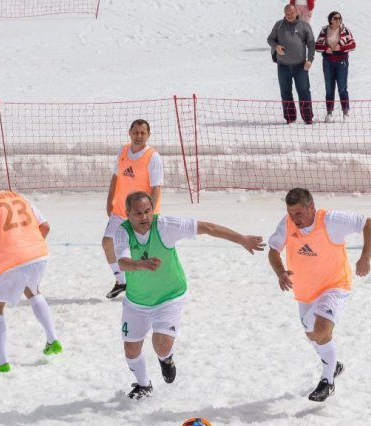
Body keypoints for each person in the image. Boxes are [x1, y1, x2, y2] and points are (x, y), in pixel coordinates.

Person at [115, 191, 265, 399]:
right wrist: (141, 265)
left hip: (170, 296)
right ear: (127, 213)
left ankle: (166, 359)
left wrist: (241, 239)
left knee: (161, 345)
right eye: (138, 213)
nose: (144, 218)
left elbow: (208, 227)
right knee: (131, 349)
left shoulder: (165, 225)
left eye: (148, 211)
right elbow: (122, 263)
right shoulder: (122, 232)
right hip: (136, 301)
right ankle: (143, 385)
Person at [268, 188, 371, 402]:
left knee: (321, 330)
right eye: (291, 213)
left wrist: (365, 258)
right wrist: (280, 272)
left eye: (299, 213)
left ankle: (327, 382)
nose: (294, 219)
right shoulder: (287, 222)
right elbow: (273, 250)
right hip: (305, 292)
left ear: (312, 207)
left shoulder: (331, 220)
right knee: (313, 336)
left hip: (335, 286)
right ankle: (333, 363)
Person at [0, 170, 62, 373]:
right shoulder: (19, 196)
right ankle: (53, 340)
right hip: (39, 254)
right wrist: (28, 248)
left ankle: (2, 363)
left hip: (11, 261)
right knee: (33, 291)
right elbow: (45, 226)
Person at [102, 119, 163, 299]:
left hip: (141, 214)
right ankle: (121, 282)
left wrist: (149, 214)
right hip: (121, 210)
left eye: (143, 133)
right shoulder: (123, 151)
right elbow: (115, 177)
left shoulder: (153, 157)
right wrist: (109, 201)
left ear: (148, 135)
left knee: (145, 252)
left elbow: (156, 188)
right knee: (107, 243)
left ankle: (153, 285)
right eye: (135, 132)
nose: (138, 136)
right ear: (129, 132)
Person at [268, 4, 316, 124]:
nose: (289, 15)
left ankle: (308, 117)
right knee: (285, 92)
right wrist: (276, 46)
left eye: (291, 13)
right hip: (283, 66)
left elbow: (311, 43)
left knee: (304, 91)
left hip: (300, 66)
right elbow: (270, 39)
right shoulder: (279, 25)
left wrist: (310, 60)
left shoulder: (304, 26)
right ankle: (290, 118)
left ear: (296, 13)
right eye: (287, 13)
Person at [315, 11, 356, 122]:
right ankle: (329, 113)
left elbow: (352, 44)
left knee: (342, 87)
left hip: (341, 61)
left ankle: (345, 112)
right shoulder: (324, 30)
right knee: (329, 88)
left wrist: (341, 48)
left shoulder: (345, 29)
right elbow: (317, 45)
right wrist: (325, 49)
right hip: (328, 62)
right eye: (335, 18)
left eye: (340, 18)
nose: (338, 20)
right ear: (330, 20)